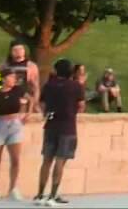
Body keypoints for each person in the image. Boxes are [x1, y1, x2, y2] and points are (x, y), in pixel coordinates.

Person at [36, 59, 84, 207]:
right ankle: (53, 195)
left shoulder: (49, 85)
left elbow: (42, 103)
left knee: (47, 160)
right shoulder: (76, 86)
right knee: (60, 160)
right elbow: (81, 106)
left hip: (51, 124)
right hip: (67, 126)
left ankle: (40, 195)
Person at [0, 68, 30, 202]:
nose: (14, 79)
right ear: (4, 79)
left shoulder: (18, 90)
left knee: (15, 159)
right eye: (11, 77)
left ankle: (13, 188)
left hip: (14, 125)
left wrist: (27, 113)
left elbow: (30, 100)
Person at [1, 42, 40, 112]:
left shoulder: (31, 66)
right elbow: (2, 84)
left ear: (24, 51)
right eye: (15, 50)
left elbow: (35, 87)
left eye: (21, 49)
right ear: (10, 52)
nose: (18, 52)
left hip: (23, 101)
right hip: (7, 101)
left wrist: (35, 102)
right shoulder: (5, 65)